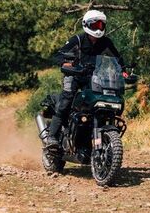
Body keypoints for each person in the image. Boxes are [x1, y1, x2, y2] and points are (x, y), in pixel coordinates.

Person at [46, 9, 128, 148]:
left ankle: (93, 135)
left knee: (101, 102)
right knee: (66, 101)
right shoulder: (77, 39)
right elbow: (58, 55)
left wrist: (124, 71)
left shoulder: (105, 42)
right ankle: (52, 137)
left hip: (93, 78)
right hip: (73, 75)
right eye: (95, 25)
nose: (98, 29)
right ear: (87, 24)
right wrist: (65, 63)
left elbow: (117, 58)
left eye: (101, 25)